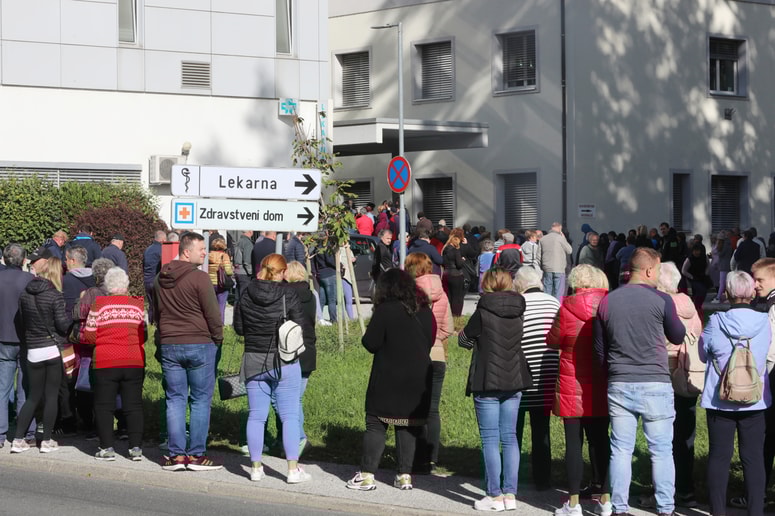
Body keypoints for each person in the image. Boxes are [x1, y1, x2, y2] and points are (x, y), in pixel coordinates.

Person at [593, 247, 686, 516]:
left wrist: (610, 373)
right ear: (648, 270)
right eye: (657, 270)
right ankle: (666, 507)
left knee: (620, 449)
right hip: (655, 382)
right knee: (661, 450)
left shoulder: (608, 301)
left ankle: (619, 508)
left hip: (620, 382)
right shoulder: (661, 300)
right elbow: (678, 335)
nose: (658, 275)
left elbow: (600, 350)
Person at [346, 269, 434, 492]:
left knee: (376, 423)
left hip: (388, 375)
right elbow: (430, 341)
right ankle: (405, 475)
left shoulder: (385, 310)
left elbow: (371, 343)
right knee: (406, 425)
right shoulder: (424, 311)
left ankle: (366, 474)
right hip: (419, 376)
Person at [233, 254, 311, 484]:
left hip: (253, 359)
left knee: (256, 416)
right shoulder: (288, 293)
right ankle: (292, 470)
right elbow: (300, 325)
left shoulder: (246, 292)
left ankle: (256, 468)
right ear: (282, 272)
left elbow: (238, 328)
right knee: (289, 416)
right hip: (284, 360)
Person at [458, 267, 531, 511]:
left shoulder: (482, 310)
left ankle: (494, 495)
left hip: (487, 378)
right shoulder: (520, 308)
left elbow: (464, 340)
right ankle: (510, 494)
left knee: (490, 438)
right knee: (510, 437)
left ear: (487, 284)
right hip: (514, 377)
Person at [700, 271, 772, 516]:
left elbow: (702, 353)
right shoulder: (765, 322)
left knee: (719, 457)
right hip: (755, 400)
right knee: (753, 458)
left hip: (720, 400)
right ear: (752, 293)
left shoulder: (716, 321)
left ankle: (718, 511)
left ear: (728, 293)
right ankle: (755, 511)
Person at [154, 231, 224, 472]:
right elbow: (213, 314)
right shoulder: (200, 278)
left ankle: (175, 456)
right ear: (186, 251)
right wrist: (218, 338)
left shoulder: (159, 279)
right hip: (199, 342)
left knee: (174, 399)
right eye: (201, 249)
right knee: (200, 400)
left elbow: (157, 312)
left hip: (169, 343)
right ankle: (195, 455)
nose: (205, 253)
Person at [547, 264, 611, 516]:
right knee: (601, 440)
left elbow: (552, 340)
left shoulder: (566, 308)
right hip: (602, 381)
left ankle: (573, 504)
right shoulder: (608, 306)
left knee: (574, 444)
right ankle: (605, 499)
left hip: (571, 381)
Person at [651, 261, 703, 508]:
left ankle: (663, 491)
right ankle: (686, 488)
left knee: (661, 437)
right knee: (685, 435)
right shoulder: (690, 306)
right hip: (688, 376)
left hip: (663, 375)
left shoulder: (659, 306)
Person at [81, 268, 146, 461]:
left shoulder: (99, 304)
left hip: (105, 361)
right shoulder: (137, 305)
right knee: (133, 405)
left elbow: (90, 335)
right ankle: (135, 448)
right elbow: (143, 334)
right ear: (126, 285)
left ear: (108, 287)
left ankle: (106, 447)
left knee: (104, 406)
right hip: (134, 360)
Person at [11, 256, 70, 453]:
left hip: (33, 349)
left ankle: (18, 439)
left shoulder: (24, 294)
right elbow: (62, 325)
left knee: (33, 396)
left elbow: (20, 322)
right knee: (51, 396)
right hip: (51, 348)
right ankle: (46, 440)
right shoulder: (55, 295)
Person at [514, 266, 561, 493]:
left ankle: (512, 477)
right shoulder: (553, 302)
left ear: (520, 284)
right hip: (547, 372)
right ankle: (542, 479)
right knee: (541, 429)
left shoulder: (518, 303)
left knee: (514, 428)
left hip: (520, 373)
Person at [405, 252, 453, 473]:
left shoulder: (410, 292)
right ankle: (432, 459)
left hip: (415, 356)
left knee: (414, 409)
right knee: (433, 410)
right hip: (437, 356)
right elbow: (448, 328)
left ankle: (416, 458)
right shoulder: (442, 293)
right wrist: (435, 340)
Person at [280, 261, 317, 456]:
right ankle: (298, 439)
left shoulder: (285, 295)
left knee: (285, 400)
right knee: (298, 399)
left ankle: (298, 438)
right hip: (308, 349)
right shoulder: (312, 296)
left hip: (289, 349)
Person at [0, 244, 35, 446]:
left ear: (4, 260)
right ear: (23, 260)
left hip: (3, 337)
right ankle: (26, 433)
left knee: (3, 388)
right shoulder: (30, 280)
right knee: (26, 387)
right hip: (26, 339)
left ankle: (1, 434)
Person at [752, 257, 775, 509]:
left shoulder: (772, 306)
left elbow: (770, 350)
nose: (755, 284)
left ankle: (759, 493)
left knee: (768, 437)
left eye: (760, 280)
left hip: (771, 375)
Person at [538, 222, 573, 300]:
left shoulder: (543, 239)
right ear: (560, 229)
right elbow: (569, 250)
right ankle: (557, 309)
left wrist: (542, 266)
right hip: (559, 269)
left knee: (547, 291)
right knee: (558, 292)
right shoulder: (560, 238)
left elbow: (538, 256)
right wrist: (564, 238)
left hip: (547, 268)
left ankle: (547, 307)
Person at [207, 236, 233, 324]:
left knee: (211, 305)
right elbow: (228, 271)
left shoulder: (208, 255)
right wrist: (231, 270)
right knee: (221, 305)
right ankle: (220, 324)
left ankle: (210, 322)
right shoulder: (224, 256)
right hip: (221, 284)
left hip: (210, 283)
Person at [143, 230, 167, 324]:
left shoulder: (147, 250)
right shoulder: (162, 250)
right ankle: (157, 324)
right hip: (156, 280)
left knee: (151, 303)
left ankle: (150, 323)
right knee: (158, 304)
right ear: (163, 239)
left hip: (147, 280)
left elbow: (143, 265)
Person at [681, 243, 710, 319]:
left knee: (701, 292)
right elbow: (684, 270)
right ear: (692, 251)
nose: (697, 252)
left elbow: (708, 265)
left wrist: (706, 273)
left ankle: (696, 307)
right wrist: (691, 277)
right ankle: (696, 307)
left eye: (698, 251)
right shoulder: (689, 259)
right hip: (693, 278)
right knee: (701, 290)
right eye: (695, 251)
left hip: (702, 277)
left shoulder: (704, 257)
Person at [63, 246, 95, 314]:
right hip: (91, 320)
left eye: (66, 259)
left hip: (71, 320)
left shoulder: (65, 280)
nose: (65, 262)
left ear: (72, 261)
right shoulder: (96, 279)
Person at [442, 235, 465, 316]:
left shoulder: (444, 250)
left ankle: (448, 314)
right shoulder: (456, 251)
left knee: (448, 295)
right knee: (457, 297)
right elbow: (459, 264)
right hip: (456, 275)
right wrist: (462, 260)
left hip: (446, 274)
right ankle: (456, 315)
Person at [233, 230, 254, 306]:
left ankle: (236, 312)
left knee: (237, 296)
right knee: (244, 295)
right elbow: (247, 261)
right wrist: (251, 273)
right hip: (244, 272)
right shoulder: (248, 243)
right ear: (250, 232)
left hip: (237, 271)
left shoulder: (239, 241)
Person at [712, 231, 733, 303]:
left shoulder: (724, 245)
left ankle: (718, 298)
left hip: (724, 266)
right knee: (726, 283)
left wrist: (717, 249)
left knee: (722, 283)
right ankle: (727, 298)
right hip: (727, 265)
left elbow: (720, 254)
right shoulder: (729, 244)